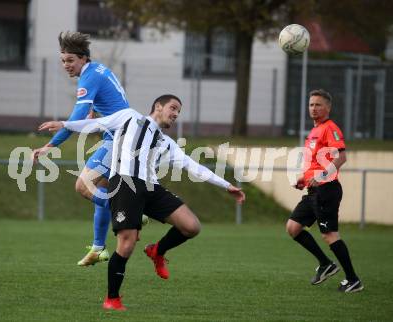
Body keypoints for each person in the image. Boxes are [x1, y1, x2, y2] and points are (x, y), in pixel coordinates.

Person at [38, 94, 246, 311]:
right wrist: (64, 124)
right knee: (126, 245)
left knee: (191, 226)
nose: (175, 114)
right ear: (158, 106)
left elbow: (193, 166)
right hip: (126, 183)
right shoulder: (129, 117)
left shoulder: (167, 143)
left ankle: (157, 250)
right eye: (173, 108)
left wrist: (226, 185)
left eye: (178, 112)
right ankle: (112, 299)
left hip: (151, 188)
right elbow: (96, 123)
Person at [32, 31, 129, 266]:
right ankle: (98, 248)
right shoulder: (98, 70)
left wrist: (50, 145)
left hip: (118, 137)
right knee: (101, 189)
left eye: (70, 60)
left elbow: (75, 117)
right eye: (63, 61)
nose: (66, 65)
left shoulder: (89, 77)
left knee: (83, 185)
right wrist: (95, 111)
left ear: (83, 58)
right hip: (121, 135)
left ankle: (131, 213)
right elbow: (113, 100)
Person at [286, 89, 363, 293]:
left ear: (328, 107)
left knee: (329, 234)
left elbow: (341, 158)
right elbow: (316, 163)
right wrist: (304, 179)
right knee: (293, 227)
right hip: (313, 191)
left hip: (327, 190)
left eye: (318, 104)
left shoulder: (330, 128)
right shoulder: (313, 131)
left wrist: (320, 177)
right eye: (311, 104)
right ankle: (326, 264)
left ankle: (353, 279)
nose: (313, 108)